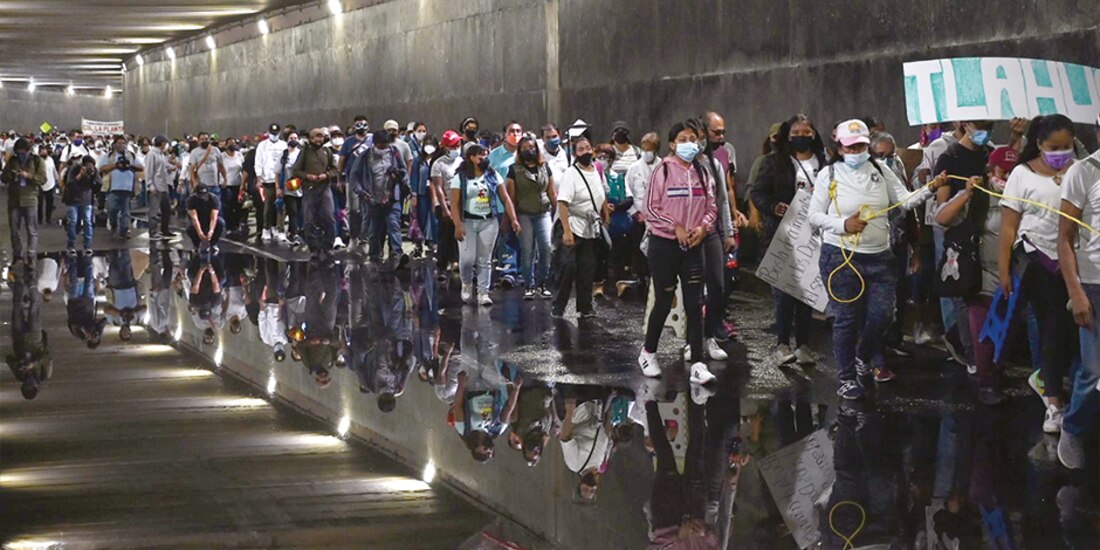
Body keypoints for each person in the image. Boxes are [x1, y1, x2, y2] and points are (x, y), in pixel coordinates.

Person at [808, 119, 946, 400]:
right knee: (846, 319)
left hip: (880, 257)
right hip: (841, 257)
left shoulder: (881, 171)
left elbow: (905, 201)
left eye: (861, 145)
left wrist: (930, 188)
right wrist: (843, 225)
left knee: (883, 315)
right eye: (851, 146)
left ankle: (862, 355)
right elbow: (814, 216)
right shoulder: (828, 175)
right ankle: (846, 377)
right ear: (840, 147)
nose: (857, 150)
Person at [998, 114, 1079, 434]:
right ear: (1040, 145)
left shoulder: (1081, 171)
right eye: (1053, 147)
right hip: (1039, 260)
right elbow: (1008, 226)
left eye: (1067, 147)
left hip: (1075, 259)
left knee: (1075, 331)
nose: (1060, 153)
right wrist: (1004, 270)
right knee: (1052, 328)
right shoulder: (1022, 174)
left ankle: (1056, 379)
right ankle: (1054, 402)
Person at [637, 120, 719, 385]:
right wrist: (676, 228)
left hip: (694, 245)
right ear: (672, 144)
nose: (688, 144)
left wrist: (703, 228)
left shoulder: (703, 173)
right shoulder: (662, 170)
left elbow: (712, 207)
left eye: (692, 138)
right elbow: (650, 209)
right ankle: (648, 352)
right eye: (682, 139)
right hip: (665, 246)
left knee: (695, 303)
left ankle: (697, 362)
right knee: (664, 299)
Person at [935, 146, 1016, 405]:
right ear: (991, 170)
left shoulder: (1023, 195)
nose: (1008, 176)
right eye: (1004, 171)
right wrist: (966, 194)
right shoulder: (979, 196)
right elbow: (942, 218)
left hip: (1013, 270)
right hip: (981, 274)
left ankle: (995, 369)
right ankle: (985, 380)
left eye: (1014, 172)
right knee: (982, 329)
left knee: (1005, 328)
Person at [751, 114, 828, 366]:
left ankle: (804, 344)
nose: (801, 136)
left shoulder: (826, 162)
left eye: (806, 132)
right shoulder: (774, 162)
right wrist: (774, 207)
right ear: (787, 135)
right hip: (784, 233)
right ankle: (782, 344)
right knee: (784, 291)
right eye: (795, 132)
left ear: (814, 134)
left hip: (815, 233)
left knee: (807, 291)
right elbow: (758, 193)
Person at [932, 120, 996, 371]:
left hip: (988, 232)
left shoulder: (988, 153)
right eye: (980, 125)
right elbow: (942, 210)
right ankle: (971, 355)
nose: (985, 131)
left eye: (989, 125)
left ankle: (983, 351)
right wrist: (965, 195)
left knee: (984, 297)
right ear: (964, 124)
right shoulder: (949, 157)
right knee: (963, 294)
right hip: (960, 235)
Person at [1056, 114, 1100, 470]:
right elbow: (1065, 239)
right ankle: (1073, 425)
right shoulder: (1083, 172)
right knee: (1094, 368)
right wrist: (1077, 292)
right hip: (1094, 284)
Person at [450, 144, 521, 306]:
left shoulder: (493, 175)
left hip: (488, 221)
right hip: (467, 221)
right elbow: (454, 203)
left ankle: (483, 292)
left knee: (485, 259)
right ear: (471, 158)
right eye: (480, 156)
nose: (484, 158)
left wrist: (513, 219)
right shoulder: (460, 177)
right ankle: (467, 283)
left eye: (486, 155)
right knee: (468, 259)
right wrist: (457, 224)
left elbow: (505, 198)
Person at [552, 138, 607, 318]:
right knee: (567, 267)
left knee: (587, 267)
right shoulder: (571, 173)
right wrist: (567, 232)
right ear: (575, 154)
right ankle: (558, 306)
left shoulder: (597, 170)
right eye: (581, 149)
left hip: (590, 227)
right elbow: (563, 203)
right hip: (571, 224)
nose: (585, 152)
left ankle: (585, 307)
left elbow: (601, 194)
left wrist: (606, 215)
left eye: (588, 148)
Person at [506, 135, 557, 299]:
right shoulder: (514, 170)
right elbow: (511, 197)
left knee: (546, 248)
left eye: (532, 147)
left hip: (543, 212)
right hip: (524, 214)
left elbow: (552, 192)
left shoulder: (545, 167)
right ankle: (528, 284)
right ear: (520, 151)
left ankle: (542, 283)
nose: (530, 151)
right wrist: (512, 219)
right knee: (527, 250)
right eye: (526, 148)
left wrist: (561, 213)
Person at [352, 130, 410, 267]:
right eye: (381, 144)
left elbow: (404, 170)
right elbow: (354, 176)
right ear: (375, 143)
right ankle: (374, 256)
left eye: (386, 143)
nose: (384, 146)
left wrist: (402, 179)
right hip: (373, 199)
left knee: (394, 226)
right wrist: (361, 191)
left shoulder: (394, 153)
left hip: (391, 198)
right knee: (374, 230)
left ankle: (397, 254)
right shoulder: (365, 156)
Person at [291, 128, 340, 261]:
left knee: (329, 218)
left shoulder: (327, 151)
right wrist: (308, 176)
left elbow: (335, 169)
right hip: (309, 190)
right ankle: (314, 248)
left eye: (321, 136)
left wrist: (326, 175)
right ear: (311, 138)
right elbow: (296, 170)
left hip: (325, 188)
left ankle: (328, 246)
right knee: (309, 221)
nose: (319, 139)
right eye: (316, 136)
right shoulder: (304, 152)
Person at [2, 138, 48, 264]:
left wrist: (28, 176)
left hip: (30, 199)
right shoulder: (12, 160)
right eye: (18, 153)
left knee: (31, 229)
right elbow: (3, 177)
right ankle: (17, 255)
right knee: (14, 230)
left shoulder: (37, 161)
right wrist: (12, 175)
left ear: (28, 151)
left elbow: (43, 179)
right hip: (14, 199)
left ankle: (31, 254)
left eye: (23, 153)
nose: (20, 155)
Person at [624, 132, 661, 288]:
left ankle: (655, 275)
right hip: (639, 214)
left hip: (658, 216)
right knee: (638, 247)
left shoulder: (663, 166)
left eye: (650, 149)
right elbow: (628, 191)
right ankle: (640, 276)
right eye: (644, 149)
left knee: (655, 248)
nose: (647, 153)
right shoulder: (634, 168)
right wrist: (635, 212)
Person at [98, 136, 142, 240]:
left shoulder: (131, 156)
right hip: (113, 187)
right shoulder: (109, 156)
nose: (121, 145)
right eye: (119, 143)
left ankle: (124, 230)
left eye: (123, 143)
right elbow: (102, 168)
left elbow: (141, 167)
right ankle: (113, 224)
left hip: (127, 188)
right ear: (114, 144)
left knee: (126, 211)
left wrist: (130, 165)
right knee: (112, 209)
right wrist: (116, 165)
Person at [432, 130, 464, 271]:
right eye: (452, 146)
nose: (456, 148)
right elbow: (438, 187)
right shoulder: (438, 164)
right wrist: (444, 208)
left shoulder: (462, 161)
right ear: (445, 147)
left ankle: (456, 260)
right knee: (445, 235)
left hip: (459, 204)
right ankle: (442, 265)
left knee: (458, 234)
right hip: (446, 203)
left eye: (458, 144)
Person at [254, 123, 288, 244]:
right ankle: (266, 228)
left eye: (276, 133)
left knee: (280, 206)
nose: (274, 135)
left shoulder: (284, 145)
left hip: (281, 179)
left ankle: (278, 228)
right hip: (268, 179)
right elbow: (258, 162)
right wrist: (259, 178)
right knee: (268, 205)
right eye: (272, 133)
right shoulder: (262, 145)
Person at [61, 155, 101, 254]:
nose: (89, 168)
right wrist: (80, 175)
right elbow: (69, 184)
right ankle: (71, 244)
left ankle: (87, 245)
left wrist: (92, 177)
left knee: (88, 222)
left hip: (86, 200)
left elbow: (99, 183)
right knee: (73, 221)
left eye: (91, 166)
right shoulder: (74, 169)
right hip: (73, 200)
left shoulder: (94, 171)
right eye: (87, 166)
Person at [144, 135, 177, 242]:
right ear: (162, 143)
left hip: (164, 186)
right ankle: (152, 232)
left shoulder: (162, 155)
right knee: (154, 211)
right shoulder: (151, 154)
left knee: (166, 210)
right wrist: (150, 184)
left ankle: (165, 230)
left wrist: (171, 168)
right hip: (155, 186)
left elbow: (164, 167)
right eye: (166, 143)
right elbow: (148, 170)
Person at [410, 135, 438, 257]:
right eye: (427, 144)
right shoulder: (418, 160)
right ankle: (418, 242)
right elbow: (414, 177)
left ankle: (434, 241)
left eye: (431, 144)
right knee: (421, 217)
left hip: (435, 193)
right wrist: (414, 195)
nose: (429, 147)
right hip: (421, 193)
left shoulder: (438, 160)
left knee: (434, 218)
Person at [278, 131, 304, 246]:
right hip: (288, 189)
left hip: (301, 188)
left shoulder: (302, 154)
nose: (293, 139)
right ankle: (294, 234)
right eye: (291, 138)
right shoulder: (284, 155)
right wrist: (278, 188)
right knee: (292, 211)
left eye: (295, 137)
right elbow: (277, 173)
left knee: (300, 211)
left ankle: (298, 230)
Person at [188, 131, 227, 204]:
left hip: (214, 184)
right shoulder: (194, 152)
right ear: (199, 141)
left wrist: (225, 179)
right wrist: (194, 182)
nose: (204, 141)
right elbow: (192, 169)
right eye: (202, 139)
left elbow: (221, 166)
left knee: (216, 206)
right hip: (201, 185)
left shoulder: (216, 150)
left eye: (206, 139)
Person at [186, 184, 224, 252]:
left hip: (209, 219)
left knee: (221, 223)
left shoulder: (214, 199)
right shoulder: (191, 200)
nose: (202, 197)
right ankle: (196, 245)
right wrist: (200, 232)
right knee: (190, 227)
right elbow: (195, 218)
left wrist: (211, 231)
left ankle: (213, 244)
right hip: (198, 219)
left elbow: (213, 217)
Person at [221, 138, 246, 236]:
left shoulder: (239, 155)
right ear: (226, 145)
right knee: (228, 207)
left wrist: (244, 184)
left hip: (238, 184)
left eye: (234, 143)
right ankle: (229, 227)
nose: (233, 145)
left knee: (239, 206)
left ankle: (236, 225)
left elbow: (243, 169)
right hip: (227, 185)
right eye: (230, 144)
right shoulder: (222, 156)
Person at [36, 144, 59, 225]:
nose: (45, 154)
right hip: (40, 184)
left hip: (50, 184)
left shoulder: (50, 159)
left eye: (46, 152)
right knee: (39, 203)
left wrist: (57, 178)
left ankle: (48, 218)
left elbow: (54, 170)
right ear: (39, 153)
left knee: (50, 203)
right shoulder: (36, 160)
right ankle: (39, 219)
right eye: (43, 152)